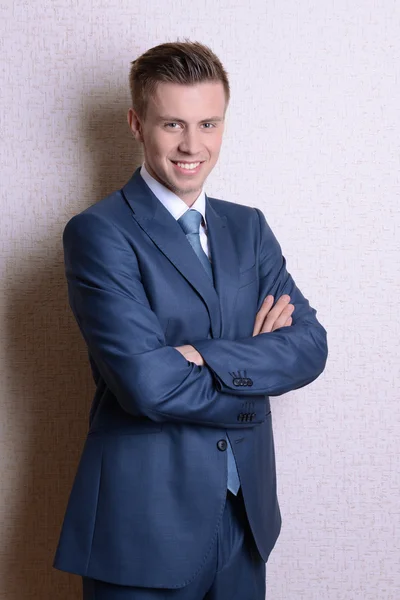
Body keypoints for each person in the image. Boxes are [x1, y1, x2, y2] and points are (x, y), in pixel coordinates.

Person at [53, 41, 328, 600]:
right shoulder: (100, 233)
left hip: (244, 522)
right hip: (143, 528)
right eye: (172, 123)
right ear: (137, 123)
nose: (192, 145)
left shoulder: (248, 228)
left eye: (209, 123)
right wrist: (256, 377)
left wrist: (200, 353)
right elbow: (147, 386)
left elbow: (311, 345)